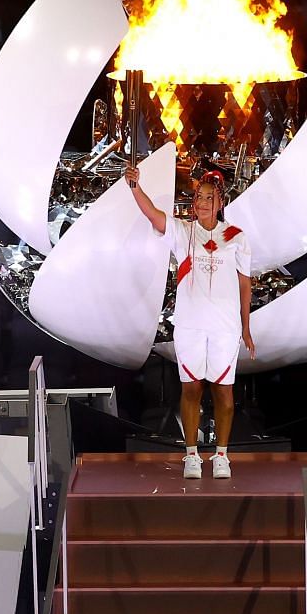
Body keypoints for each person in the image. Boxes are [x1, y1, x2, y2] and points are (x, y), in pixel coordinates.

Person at [127, 164, 255, 479]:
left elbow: (244, 284)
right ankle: (192, 455)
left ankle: (222, 456)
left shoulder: (236, 238)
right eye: (198, 197)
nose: (202, 203)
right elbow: (153, 214)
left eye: (209, 198)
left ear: (221, 202)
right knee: (191, 388)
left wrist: (246, 328)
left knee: (224, 392)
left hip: (225, 327)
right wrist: (134, 188)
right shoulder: (183, 232)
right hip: (190, 325)